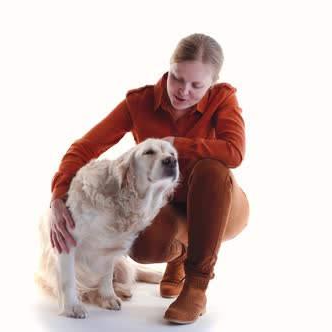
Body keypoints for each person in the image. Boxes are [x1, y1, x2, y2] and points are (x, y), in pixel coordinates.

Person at [48, 33, 250, 324]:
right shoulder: (140, 102)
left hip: (222, 205)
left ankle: (196, 285)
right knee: (142, 247)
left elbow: (234, 152)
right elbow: (85, 147)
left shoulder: (224, 98)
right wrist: (59, 196)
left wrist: (176, 143)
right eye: (178, 79)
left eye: (197, 85)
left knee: (211, 168)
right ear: (169, 68)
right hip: (169, 206)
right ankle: (178, 260)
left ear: (212, 83)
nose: (183, 91)